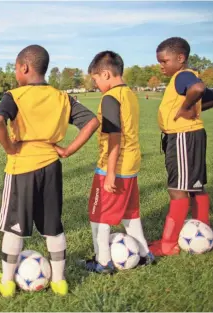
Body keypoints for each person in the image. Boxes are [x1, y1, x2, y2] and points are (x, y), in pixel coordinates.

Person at [0, 45, 99, 297]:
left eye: (17, 68)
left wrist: (9, 147)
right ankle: (60, 281)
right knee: (53, 224)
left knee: (13, 227)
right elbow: (92, 121)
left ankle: (6, 282)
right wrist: (68, 150)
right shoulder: (62, 97)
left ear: (24, 67)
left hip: (22, 168)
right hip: (51, 165)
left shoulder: (15, 95)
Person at [78, 51, 154, 274]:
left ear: (106, 73)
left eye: (96, 79)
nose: (95, 83)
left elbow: (114, 136)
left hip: (114, 166)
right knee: (130, 214)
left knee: (98, 215)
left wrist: (110, 172)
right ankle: (144, 254)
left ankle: (102, 262)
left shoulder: (110, 97)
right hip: (131, 165)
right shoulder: (130, 94)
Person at [149, 37, 211, 256]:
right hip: (189, 136)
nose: (161, 66)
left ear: (180, 58)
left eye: (164, 61)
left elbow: (198, 88)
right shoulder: (186, 76)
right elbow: (207, 95)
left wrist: (185, 108)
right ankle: (204, 232)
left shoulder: (183, 76)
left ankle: (168, 243)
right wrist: (192, 106)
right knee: (195, 187)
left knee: (178, 190)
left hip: (183, 137)